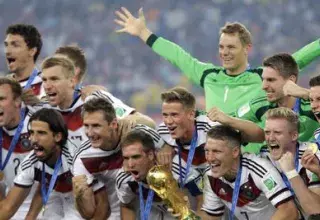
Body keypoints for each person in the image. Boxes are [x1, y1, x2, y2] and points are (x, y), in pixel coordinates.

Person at [114, 7, 320, 114]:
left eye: (231, 47)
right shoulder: (208, 75)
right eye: (221, 47)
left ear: (247, 49)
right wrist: (144, 33)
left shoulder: (262, 77)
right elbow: (177, 55)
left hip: (255, 159)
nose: (225, 53)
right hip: (216, 164)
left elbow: (298, 58)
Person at [72, 97, 162, 220]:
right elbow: (90, 212)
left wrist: (136, 118)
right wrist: (80, 195)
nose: (90, 133)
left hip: (157, 205)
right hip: (120, 210)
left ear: (113, 124)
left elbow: (164, 146)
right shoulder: (82, 158)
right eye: (86, 126)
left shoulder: (136, 133)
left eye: (96, 126)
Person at [209, 53, 319, 153]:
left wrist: (307, 94)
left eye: (271, 80)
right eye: (263, 80)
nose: (264, 86)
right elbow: (227, 121)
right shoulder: (261, 105)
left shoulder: (310, 104)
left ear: (291, 80)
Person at [200, 125, 298, 220]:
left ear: (235, 152)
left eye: (216, 151)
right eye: (207, 151)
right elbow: (212, 216)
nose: (209, 158)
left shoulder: (259, 169)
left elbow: (289, 211)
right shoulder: (210, 176)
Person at [0, 108, 82, 220]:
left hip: (80, 200)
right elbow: (8, 208)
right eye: (31, 133)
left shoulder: (77, 160)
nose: (33, 140)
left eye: (41, 133)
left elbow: (95, 208)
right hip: (55, 198)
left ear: (58, 136)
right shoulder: (30, 163)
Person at [116, 129, 201, 220]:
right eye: (126, 158)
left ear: (150, 155)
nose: (130, 164)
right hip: (155, 211)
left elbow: (203, 200)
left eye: (136, 157)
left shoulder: (178, 168)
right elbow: (126, 205)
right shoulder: (125, 179)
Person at [259, 107, 320, 217]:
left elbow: (315, 209)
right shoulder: (264, 157)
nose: (270, 138)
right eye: (267, 132)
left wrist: (291, 172)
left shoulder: (311, 156)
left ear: (294, 135)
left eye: (277, 132)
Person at [0, 77, 39, 219]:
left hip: (45, 209)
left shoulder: (39, 126)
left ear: (17, 101)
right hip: (12, 210)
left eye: (2, 99)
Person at [4, 24, 44, 98]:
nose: (7, 51)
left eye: (15, 45)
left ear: (32, 51)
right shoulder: (3, 86)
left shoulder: (45, 86)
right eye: (6, 45)